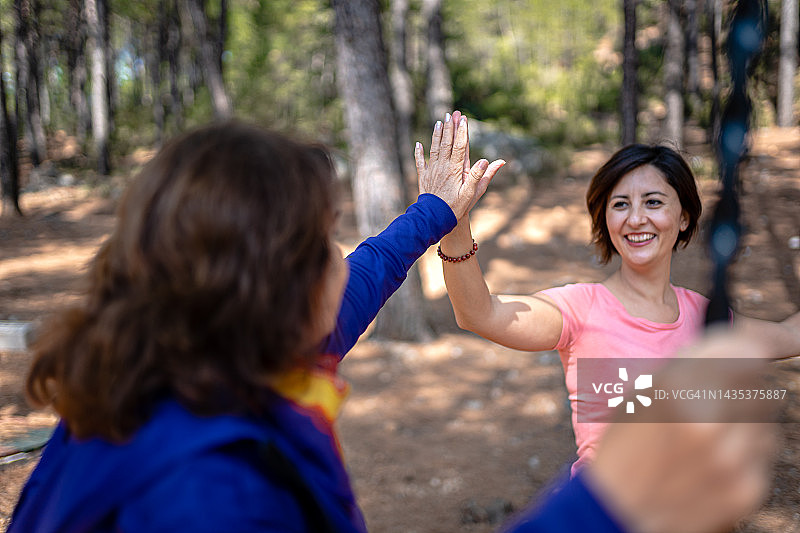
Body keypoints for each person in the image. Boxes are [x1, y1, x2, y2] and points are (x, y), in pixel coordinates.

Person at [7, 113, 783, 533]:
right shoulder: (212, 492)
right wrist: (602, 506)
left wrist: (436, 211)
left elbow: (373, 267)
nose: (339, 257)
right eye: (321, 241)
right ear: (268, 281)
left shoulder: (209, 367)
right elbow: (471, 308)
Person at [435, 139, 800, 473]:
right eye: (620, 204)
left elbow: (789, 335)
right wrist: (454, 220)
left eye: (653, 202)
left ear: (684, 216)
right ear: (605, 218)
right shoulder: (581, 308)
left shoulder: (707, 317)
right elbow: (479, 313)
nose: (636, 218)